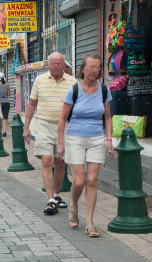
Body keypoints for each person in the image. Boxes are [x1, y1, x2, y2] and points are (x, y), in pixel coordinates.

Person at [57, 54, 114, 237]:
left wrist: (109, 139)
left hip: (97, 138)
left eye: (97, 67)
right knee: (79, 181)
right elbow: (62, 118)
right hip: (75, 138)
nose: (93, 70)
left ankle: (90, 221)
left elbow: (107, 117)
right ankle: (74, 204)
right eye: (90, 66)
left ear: (99, 71)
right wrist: (60, 143)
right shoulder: (74, 90)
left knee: (92, 181)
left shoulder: (104, 90)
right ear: (82, 69)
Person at [23, 52, 77, 215]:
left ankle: (57, 194)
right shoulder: (39, 81)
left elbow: (78, 106)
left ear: (64, 65)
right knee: (47, 160)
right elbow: (32, 105)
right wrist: (26, 127)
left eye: (59, 63)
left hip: (65, 126)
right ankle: (50, 200)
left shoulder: (72, 82)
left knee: (60, 161)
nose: (55, 66)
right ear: (48, 65)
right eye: (52, 63)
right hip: (44, 124)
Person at [0, 72, 10, 137]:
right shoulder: (7, 85)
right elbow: (9, 94)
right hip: (6, 102)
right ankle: (4, 131)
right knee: (5, 117)